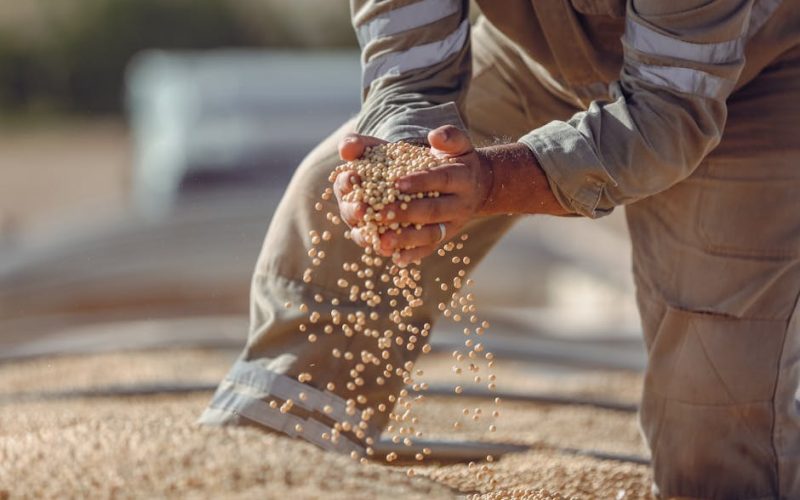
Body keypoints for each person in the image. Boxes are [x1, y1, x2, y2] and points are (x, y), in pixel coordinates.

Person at [200, 1, 800, 497]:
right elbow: (411, 77)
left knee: (713, 424)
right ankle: (257, 470)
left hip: (745, 79)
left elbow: (670, 112)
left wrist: (491, 181)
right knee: (333, 211)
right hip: (534, 58)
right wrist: (404, 162)